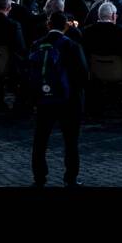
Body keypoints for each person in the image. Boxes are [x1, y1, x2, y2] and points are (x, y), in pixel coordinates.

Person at [29, 10, 89, 187]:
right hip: (68, 100)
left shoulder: (37, 45)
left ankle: (39, 176)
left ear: (48, 25)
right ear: (66, 26)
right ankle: (70, 177)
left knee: (40, 140)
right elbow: (83, 75)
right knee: (70, 142)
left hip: (44, 98)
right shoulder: (71, 46)